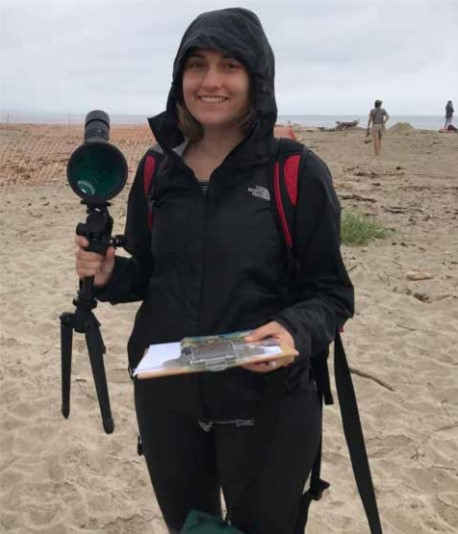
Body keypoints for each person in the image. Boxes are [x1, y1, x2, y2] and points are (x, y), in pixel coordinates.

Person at [75, 7, 354, 534]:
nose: (210, 81)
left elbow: (332, 294)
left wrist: (294, 330)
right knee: (192, 527)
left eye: (230, 65)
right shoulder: (157, 169)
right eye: (196, 65)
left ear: (257, 77)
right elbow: (151, 274)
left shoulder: (294, 172)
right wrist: (111, 275)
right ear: (179, 76)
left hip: (268, 407)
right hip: (169, 406)